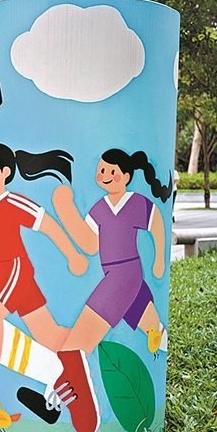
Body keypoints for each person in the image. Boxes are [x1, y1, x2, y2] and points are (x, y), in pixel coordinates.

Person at [0, 142, 100, 432]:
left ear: (6, 172)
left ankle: (52, 375)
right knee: (49, 334)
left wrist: (72, 255)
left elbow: (47, 224)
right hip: (4, 274)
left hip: (14, 271)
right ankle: (75, 361)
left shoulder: (14, 201)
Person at [52, 148, 172, 356]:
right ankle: (158, 338)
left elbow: (156, 223)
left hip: (125, 273)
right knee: (148, 321)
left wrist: (159, 260)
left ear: (126, 177)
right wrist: (67, 213)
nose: (105, 176)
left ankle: (69, 364)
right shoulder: (100, 208)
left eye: (111, 172)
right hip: (115, 273)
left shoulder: (135, 202)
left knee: (81, 337)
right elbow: (90, 244)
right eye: (101, 171)